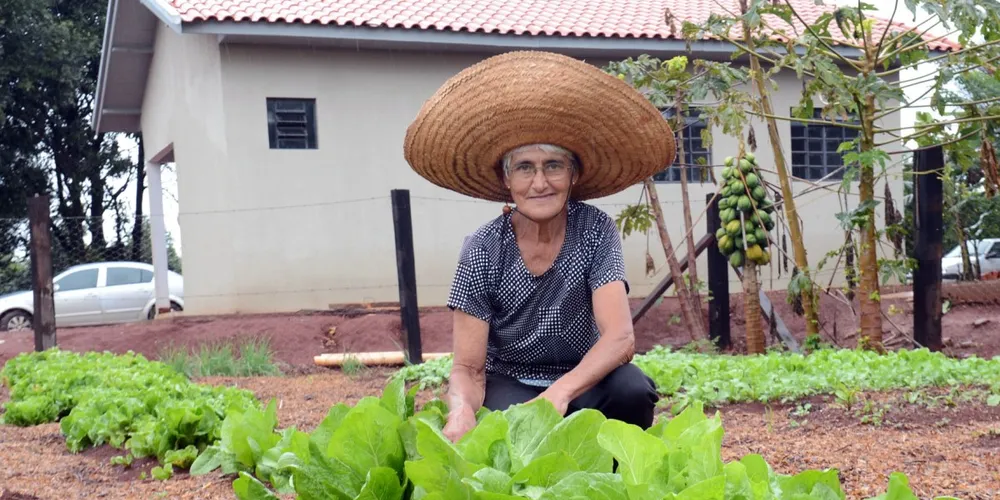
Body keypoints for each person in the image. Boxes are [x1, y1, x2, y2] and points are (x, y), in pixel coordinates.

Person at [402, 50, 677, 443]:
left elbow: (620, 338)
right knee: (515, 428)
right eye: (525, 167)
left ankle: (615, 478)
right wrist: (461, 410)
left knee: (631, 391)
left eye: (553, 166)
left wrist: (559, 394)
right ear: (506, 180)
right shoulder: (483, 247)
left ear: (574, 174)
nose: (539, 183)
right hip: (510, 379)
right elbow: (468, 367)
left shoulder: (595, 230)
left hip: (583, 378)